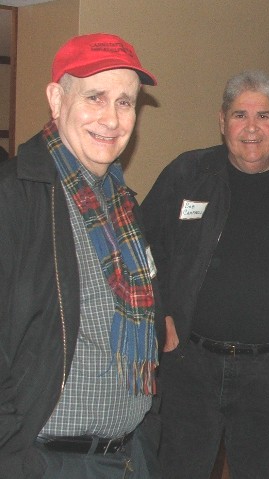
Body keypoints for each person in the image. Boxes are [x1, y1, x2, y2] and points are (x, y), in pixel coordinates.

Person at [141, 70, 269, 479]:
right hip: (189, 365)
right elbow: (142, 246)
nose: (251, 128)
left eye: (263, 116)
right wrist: (160, 313)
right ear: (222, 120)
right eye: (240, 115)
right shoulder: (189, 173)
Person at [0, 33, 162, 479]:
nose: (111, 119)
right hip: (46, 461)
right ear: (57, 100)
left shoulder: (123, 204)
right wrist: (14, 458)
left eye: (125, 102)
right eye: (95, 97)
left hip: (130, 456)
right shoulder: (14, 198)